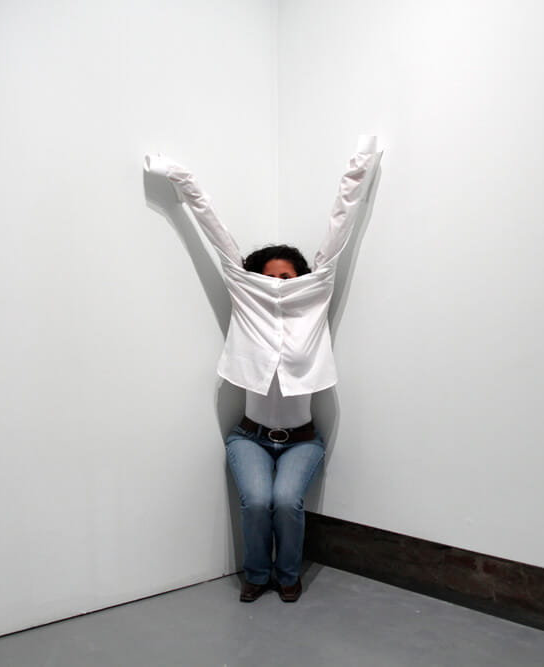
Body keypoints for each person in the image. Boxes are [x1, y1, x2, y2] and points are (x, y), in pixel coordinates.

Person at [144, 136, 382, 602]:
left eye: (286, 276)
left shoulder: (317, 292)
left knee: (285, 503)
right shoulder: (243, 290)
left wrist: (361, 164)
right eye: (269, 276)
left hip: (301, 441)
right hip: (249, 436)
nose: (277, 284)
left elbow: (341, 223)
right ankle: (257, 576)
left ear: (301, 276)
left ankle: (287, 574)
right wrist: (180, 178)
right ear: (255, 275)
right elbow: (213, 229)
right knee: (256, 503)